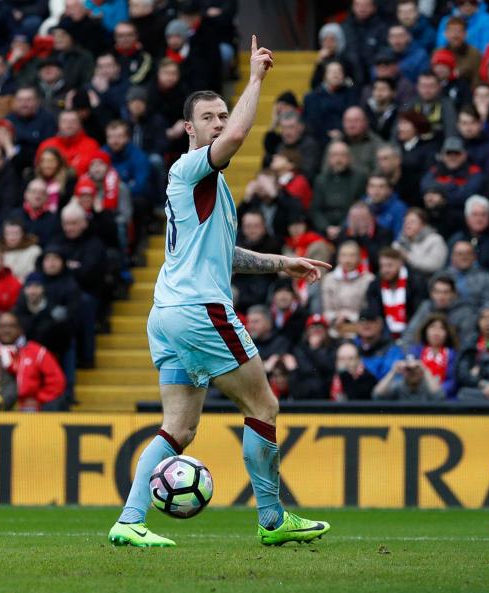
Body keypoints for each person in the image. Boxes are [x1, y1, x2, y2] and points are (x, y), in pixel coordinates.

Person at [109, 38, 332, 549]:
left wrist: (283, 264)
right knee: (264, 405)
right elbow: (235, 138)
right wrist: (256, 79)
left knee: (179, 428)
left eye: (221, 114)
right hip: (198, 311)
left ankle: (130, 519)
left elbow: (223, 256)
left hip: (167, 312)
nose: (218, 123)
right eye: (208, 117)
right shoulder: (193, 168)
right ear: (189, 128)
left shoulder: (204, 187)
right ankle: (273, 520)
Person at [0, 312, 65, 411]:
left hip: (27, 409)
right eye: (2, 326)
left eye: (11, 326)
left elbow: (57, 381)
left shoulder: (37, 352)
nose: (7, 330)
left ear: (20, 329)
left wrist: (39, 398)